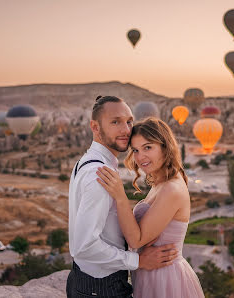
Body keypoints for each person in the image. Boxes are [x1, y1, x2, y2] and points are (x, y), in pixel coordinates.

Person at [67, 96, 179, 298]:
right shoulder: (99, 174)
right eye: (115, 122)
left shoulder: (88, 162)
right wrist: (138, 261)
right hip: (101, 288)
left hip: (87, 280)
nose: (126, 130)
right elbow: (83, 246)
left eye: (129, 121)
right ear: (95, 126)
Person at [96, 117, 205, 298]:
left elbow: (136, 240)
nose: (140, 157)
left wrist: (120, 196)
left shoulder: (171, 188)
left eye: (148, 147)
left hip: (165, 280)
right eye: (136, 150)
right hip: (152, 275)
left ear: (165, 146)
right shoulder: (160, 181)